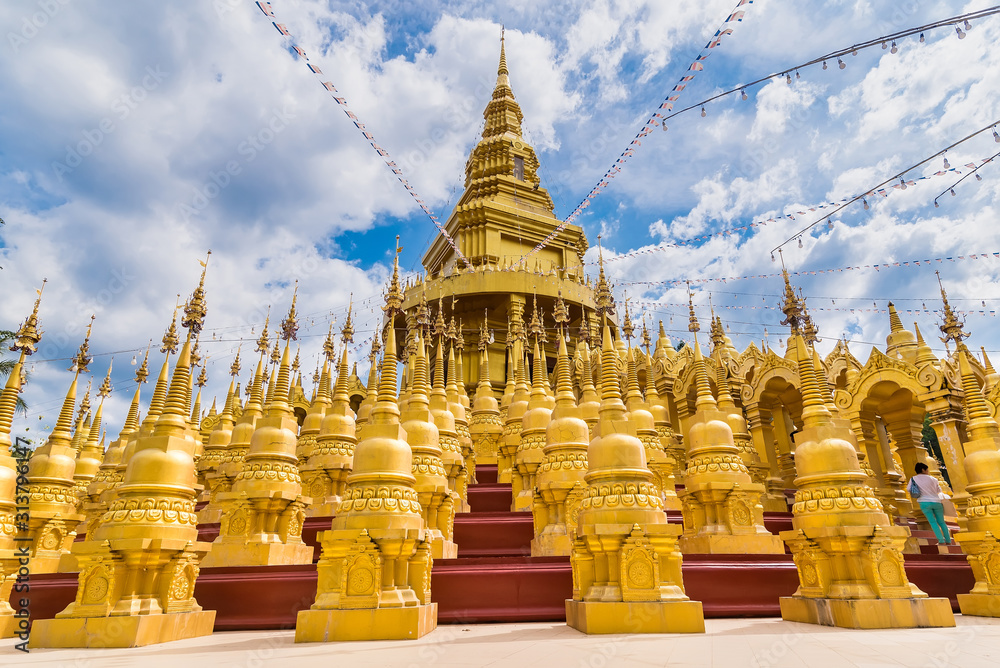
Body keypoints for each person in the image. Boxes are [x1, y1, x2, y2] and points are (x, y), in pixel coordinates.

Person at [907, 462, 951, 545]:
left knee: (933, 522)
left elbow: (908, 489)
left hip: (924, 502)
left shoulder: (913, 479)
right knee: (941, 522)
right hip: (937, 502)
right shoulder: (933, 479)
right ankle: (948, 540)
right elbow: (939, 490)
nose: (927, 471)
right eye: (927, 469)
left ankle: (941, 540)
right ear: (923, 470)